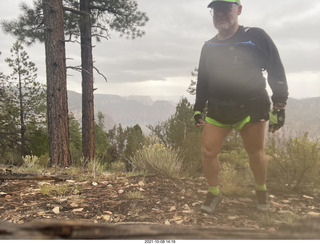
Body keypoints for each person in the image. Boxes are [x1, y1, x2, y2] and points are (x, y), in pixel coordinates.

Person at [193, 0, 288, 213]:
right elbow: (203, 80)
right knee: (208, 152)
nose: (220, 14)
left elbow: (275, 69)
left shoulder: (255, 37)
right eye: (216, 9)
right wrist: (198, 107)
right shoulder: (209, 46)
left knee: (255, 152)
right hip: (218, 108)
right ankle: (214, 192)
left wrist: (279, 105)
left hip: (252, 106)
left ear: (239, 10)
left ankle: (261, 190)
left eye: (226, 8)